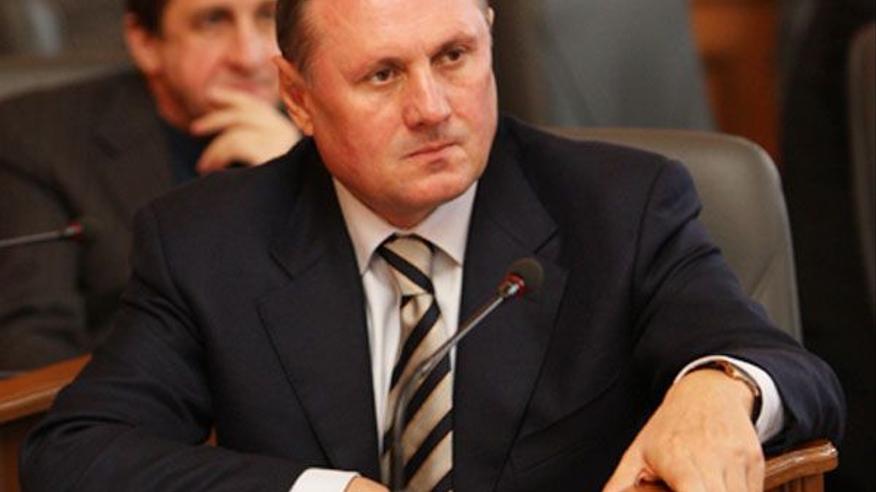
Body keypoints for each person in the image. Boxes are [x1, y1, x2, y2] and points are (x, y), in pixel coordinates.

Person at [21, 0, 843, 491]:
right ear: (298, 99)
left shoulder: (618, 204)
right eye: (382, 75)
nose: (433, 108)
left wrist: (719, 389)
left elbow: (791, 370)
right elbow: (76, 453)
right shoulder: (207, 240)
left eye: (454, 57)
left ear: (489, 36)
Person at [0, 0, 300, 372]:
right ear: (144, 42)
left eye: (268, 16)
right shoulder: (38, 138)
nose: (250, 57)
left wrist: (292, 180)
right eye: (212, 21)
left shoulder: (330, 120)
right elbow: (31, 350)